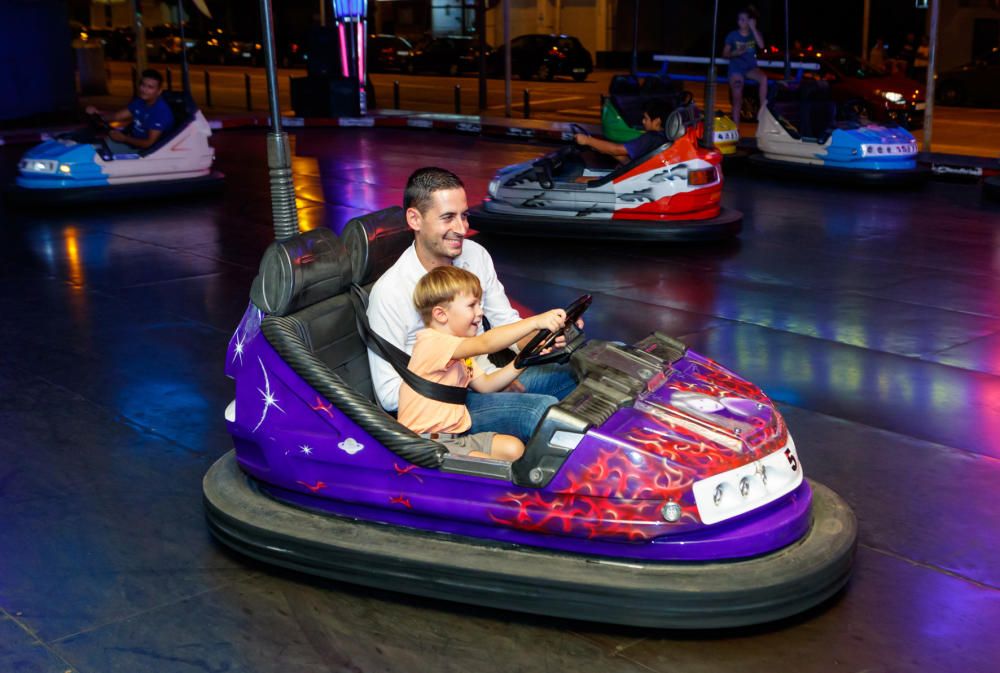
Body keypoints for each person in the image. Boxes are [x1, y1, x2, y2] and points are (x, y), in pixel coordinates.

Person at [366, 167, 579, 442]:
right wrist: (464, 381)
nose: (462, 229)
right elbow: (388, 394)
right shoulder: (390, 292)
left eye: (464, 215)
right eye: (448, 218)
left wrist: (544, 336)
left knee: (582, 373)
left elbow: (507, 326)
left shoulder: (475, 256)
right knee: (541, 410)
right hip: (445, 407)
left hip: (487, 378)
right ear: (415, 219)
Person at [398, 265, 567, 460]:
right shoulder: (432, 342)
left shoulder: (460, 353)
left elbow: (486, 385)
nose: (480, 312)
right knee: (493, 468)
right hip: (426, 444)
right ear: (441, 314)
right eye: (472, 306)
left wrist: (522, 361)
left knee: (513, 448)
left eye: (480, 305)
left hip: (456, 436)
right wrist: (536, 322)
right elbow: (485, 343)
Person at [85, 68, 174, 153]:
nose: (144, 90)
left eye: (150, 87)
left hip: (144, 152)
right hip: (130, 142)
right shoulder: (140, 102)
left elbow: (148, 143)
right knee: (91, 145)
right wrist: (97, 113)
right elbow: (117, 116)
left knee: (95, 152)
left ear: (159, 91)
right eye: (143, 85)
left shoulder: (160, 112)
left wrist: (124, 138)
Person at [573, 97, 669, 164]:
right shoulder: (663, 137)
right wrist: (599, 146)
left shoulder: (651, 138)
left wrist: (587, 140)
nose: (643, 121)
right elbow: (629, 162)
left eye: (646, 118)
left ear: (657, 121)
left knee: (580, 180)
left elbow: (617, 149)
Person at [723, 6, 768, 126]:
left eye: (744, 19)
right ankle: (736, 129)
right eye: (739, 19)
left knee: (764, 78)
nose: (740, 22)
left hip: (750, 68)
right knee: (737, 99)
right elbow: (725, 54)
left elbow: (762, 46)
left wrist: (753, 29)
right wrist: (736, 52)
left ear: (750, 21)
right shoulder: (732, 35)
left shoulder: (754, 34)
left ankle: (762, 112)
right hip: (736, 69)